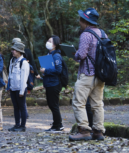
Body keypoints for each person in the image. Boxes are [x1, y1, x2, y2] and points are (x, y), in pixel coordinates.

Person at [69, 8, 106, 141]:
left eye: (81, 19)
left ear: (85, 21)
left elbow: (82, 55)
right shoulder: (102, 33)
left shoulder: (86, 34)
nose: (79, 21)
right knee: (97, 104)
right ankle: (98, 131)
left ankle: (84, 130)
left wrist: (74, 54)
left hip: (87, 74)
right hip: (101, 75)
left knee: (78, 102)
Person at [40, 35, 64, 132]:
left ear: (55, 44)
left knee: (54, 105)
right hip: (49, 83)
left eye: (50, 41)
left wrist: (45, 70)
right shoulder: (49, 55)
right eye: (48, 40)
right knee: (52, 105)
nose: (48, 42)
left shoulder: (56, 55)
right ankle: (57, 124)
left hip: (54, 83)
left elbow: (58, 70)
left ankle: (58, 126)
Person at [7, 42, 29, 132]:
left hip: (20, 88)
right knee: (15, 107)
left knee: (22, 107)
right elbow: (10, 74)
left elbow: (24, 78)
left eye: (14, 50)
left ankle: (22, 126)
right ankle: (17, 124)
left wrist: (22, 91)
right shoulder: (12, 60)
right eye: (12, 49)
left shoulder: (24, 62)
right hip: (13, 88)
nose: (13, 51)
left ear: (19, 51)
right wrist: (8, 86)